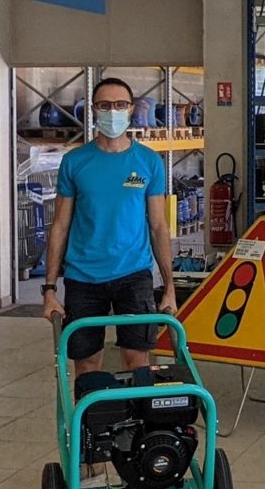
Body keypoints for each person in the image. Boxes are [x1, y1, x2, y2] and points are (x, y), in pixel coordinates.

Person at [41, 75, 174, 379]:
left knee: (137, 362)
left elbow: (158, 226)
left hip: (134, 275)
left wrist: (169, 287)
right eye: (104, 105)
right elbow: (60, 226)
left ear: (130, 110)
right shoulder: (75, 162)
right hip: (83, 278)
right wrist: (49, 290)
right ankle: (91, 426)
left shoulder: (149, 162)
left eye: (120, 105)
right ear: (94, 110)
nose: (112, 112)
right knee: (86, 365)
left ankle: (135, 425)